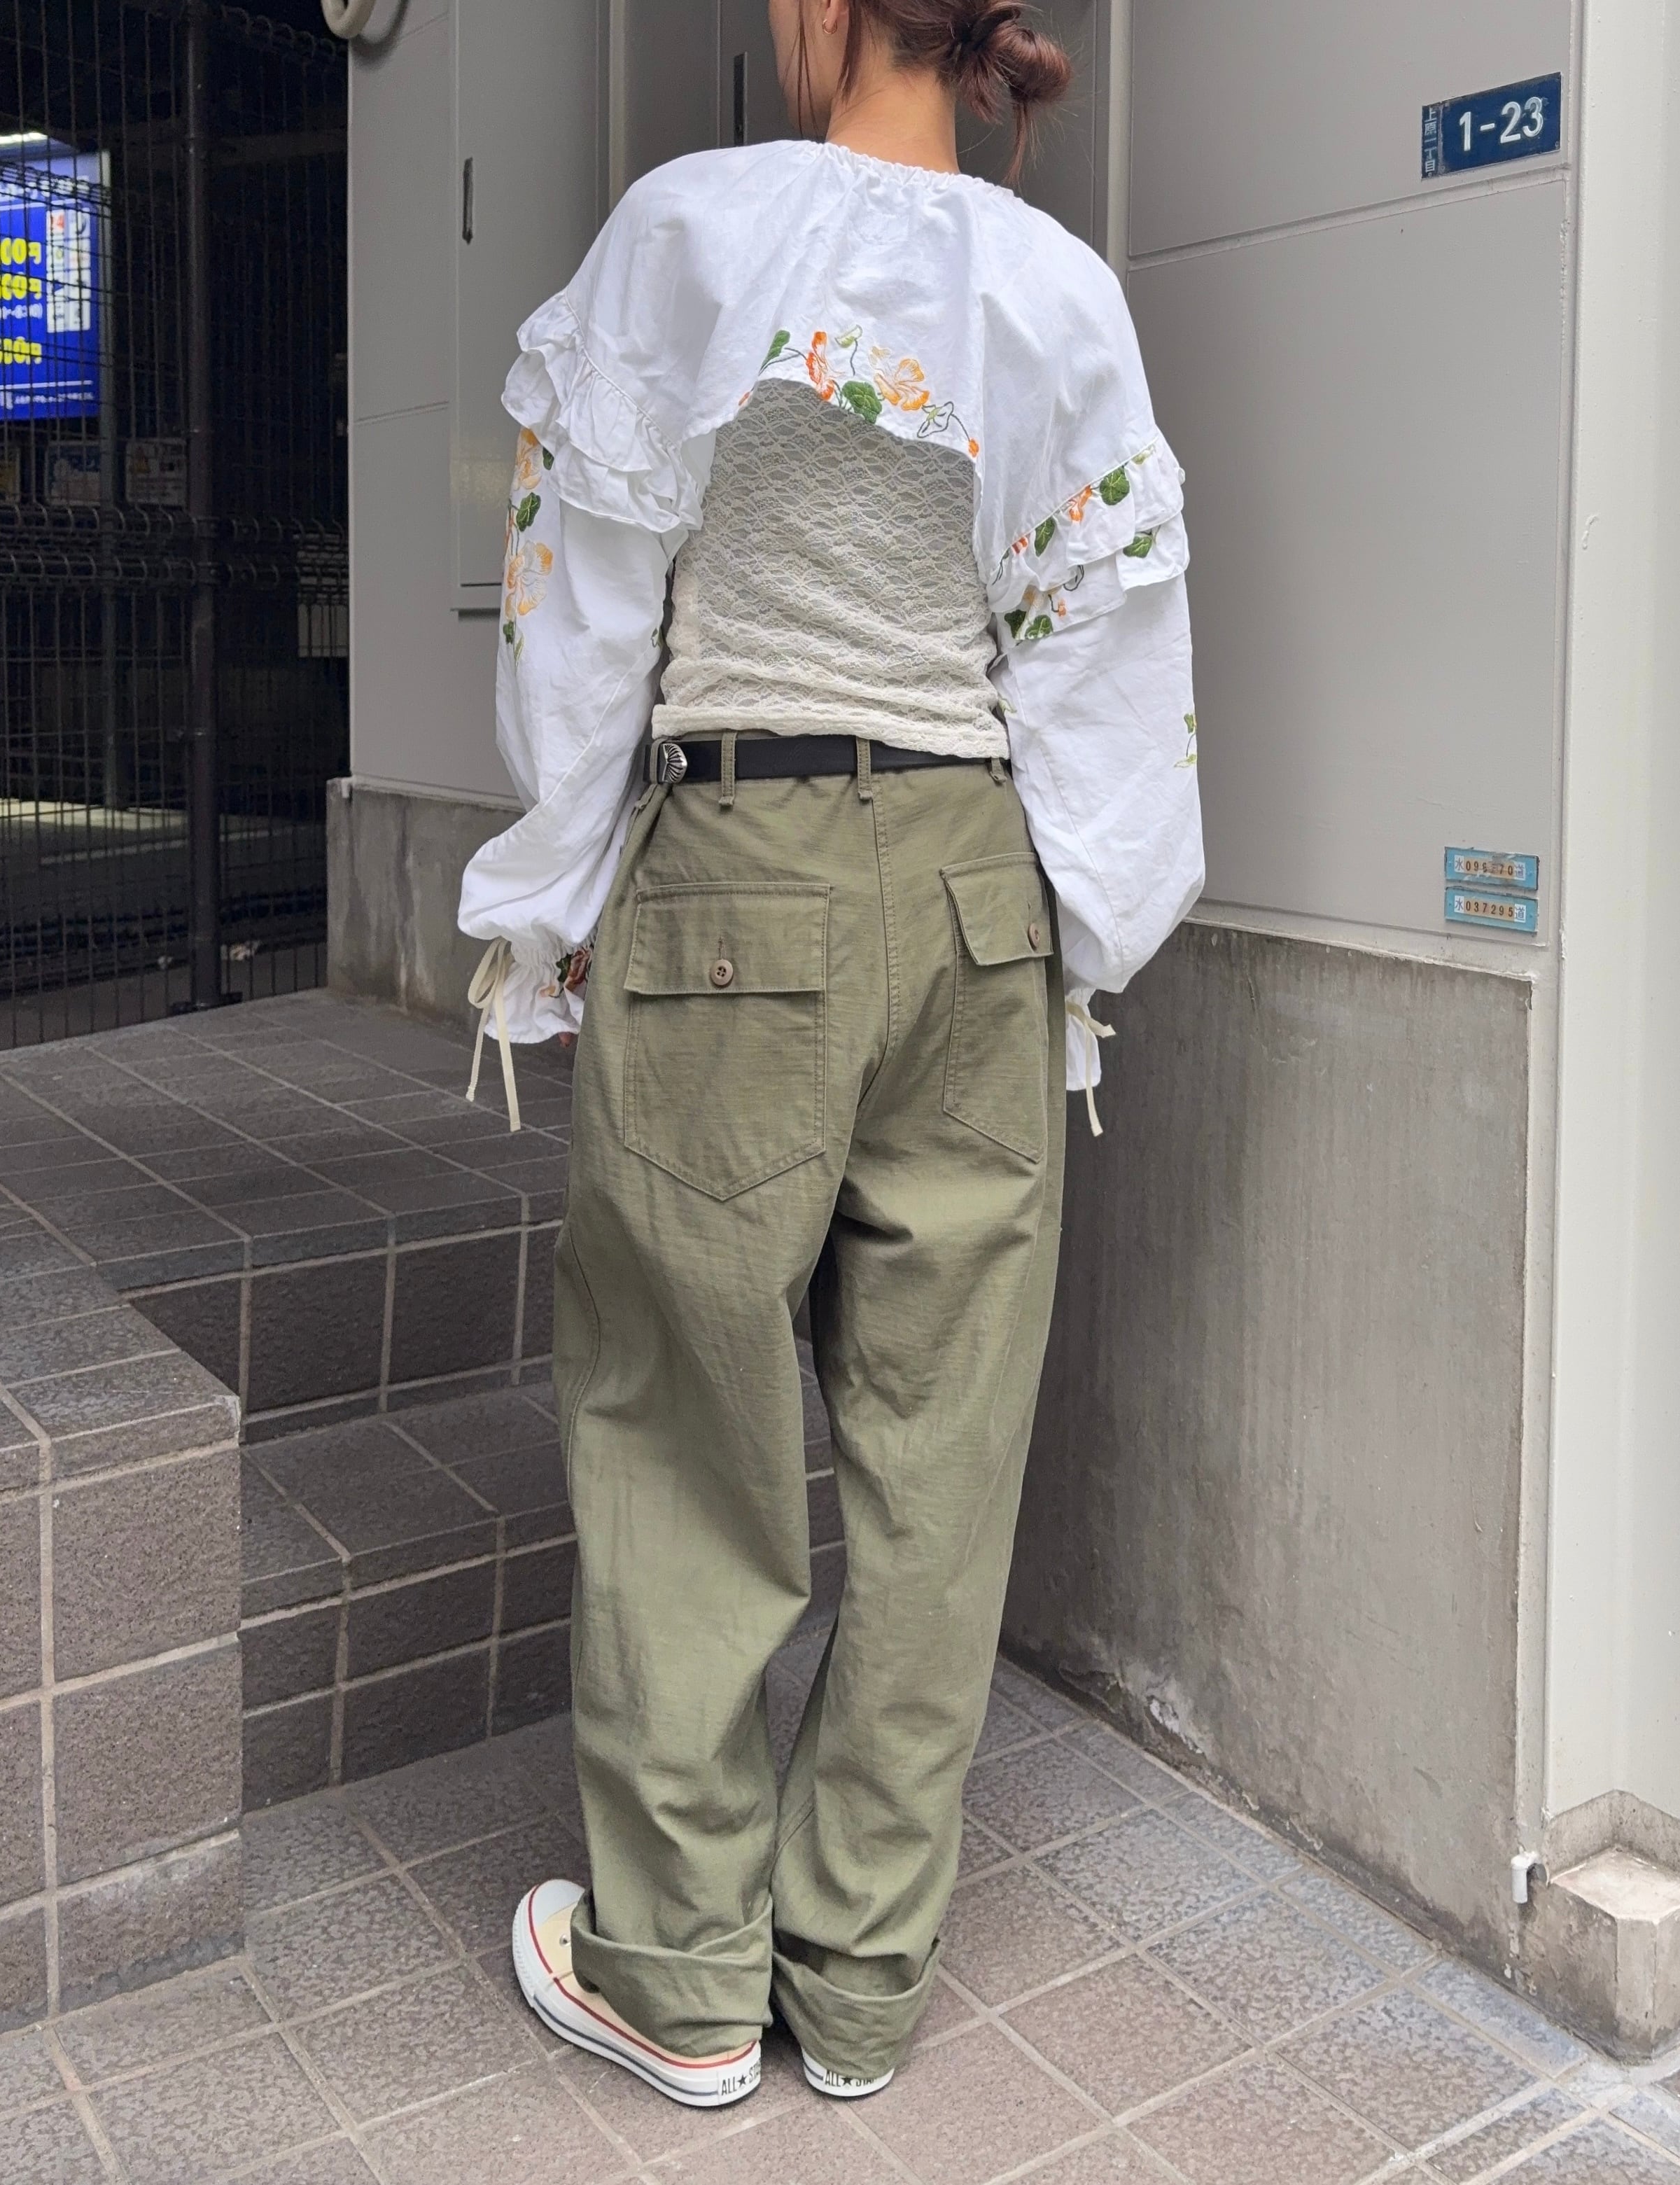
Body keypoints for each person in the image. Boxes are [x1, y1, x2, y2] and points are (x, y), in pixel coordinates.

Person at [458, 0, 1201, 2112]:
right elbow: (1103, 651)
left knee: (681, 1420)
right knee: (940, 1457)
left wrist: (554, 889)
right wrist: (1087, 935)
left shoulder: (691, 228)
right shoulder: (1060, 292)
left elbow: (580, 608)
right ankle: (858, 1977)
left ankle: (680, 1971)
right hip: (984, 890)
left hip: (740, 857)